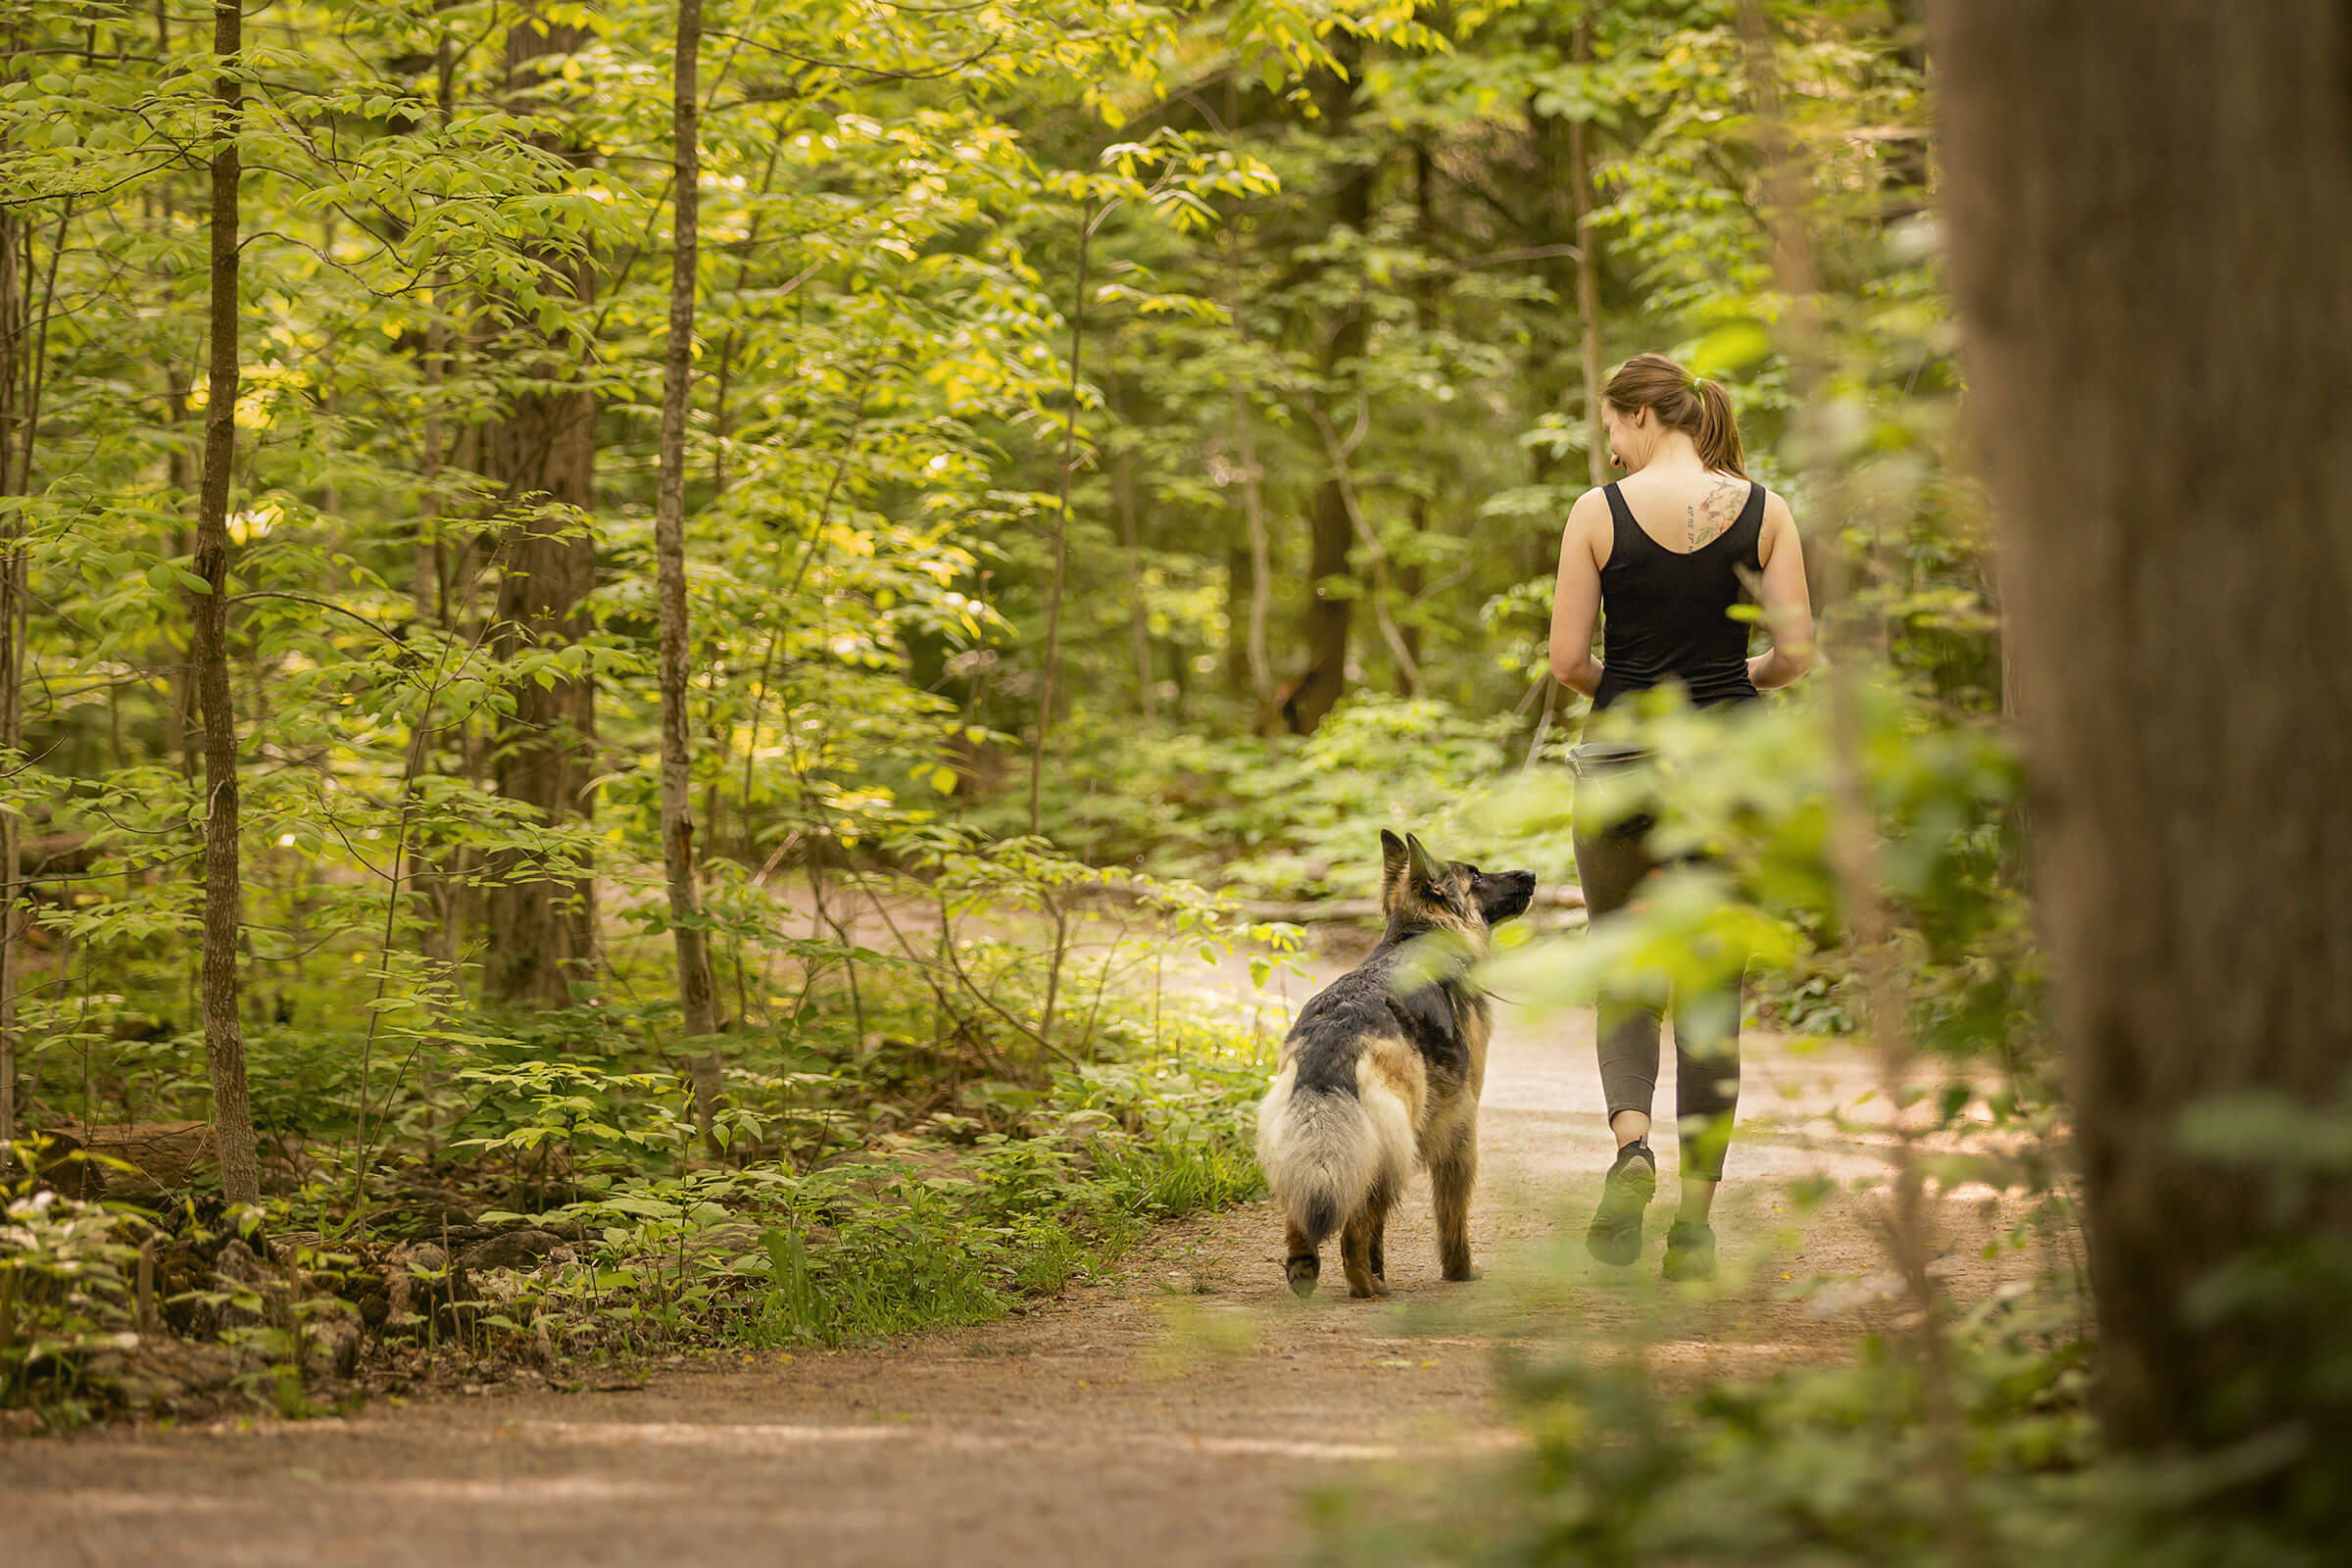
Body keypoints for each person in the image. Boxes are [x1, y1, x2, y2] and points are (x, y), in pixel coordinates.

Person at [1545, 352, 1815, 1281]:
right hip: (1730, 773)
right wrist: (1733, 684)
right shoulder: (1764, 509)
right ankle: (1695, 1230)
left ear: (1642, 417)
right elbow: (1797, 652)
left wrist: (1628, 692)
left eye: (1611, 426)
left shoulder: (1596, 515)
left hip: (1622, 768)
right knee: (1711, 993)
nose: (1610, 448)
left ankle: (1631, 1150)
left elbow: (1569, 661)